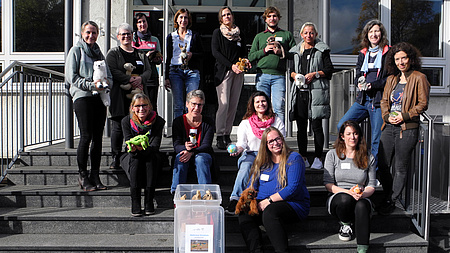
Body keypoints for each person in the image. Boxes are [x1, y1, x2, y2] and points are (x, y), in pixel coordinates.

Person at [377, 42, 430, 215]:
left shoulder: (419, 77)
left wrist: (404, 115)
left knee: (400, 167)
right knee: (383, 165)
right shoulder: (392, 79)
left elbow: (423, 104)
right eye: (397, 59)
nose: (401, 62)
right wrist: (386, 116)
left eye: (404, 58)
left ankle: (391, 200)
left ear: (410, 59)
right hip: (389, 127)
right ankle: (388, 195)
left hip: (407, 128)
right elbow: (384, 101)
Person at [238, 127, 309, 253]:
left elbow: (293, 188)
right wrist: (248, 198)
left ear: (282, 139)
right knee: (244, 212)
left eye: (277, 139)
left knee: (270, 212)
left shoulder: (294, 158)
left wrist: (268, 201)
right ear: (265, 145)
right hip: (263, 204)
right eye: (270, 141)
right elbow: (252, 186)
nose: (275, 143)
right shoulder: (261, 161)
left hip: (293, 204)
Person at [65, 21, 112, 191]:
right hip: (82, 97)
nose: (91, 36)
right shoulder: (76, 51)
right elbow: (72, 78)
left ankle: (95, 175)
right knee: (86, 136)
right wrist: (93, 85)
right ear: (82, 33)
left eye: (94, 33)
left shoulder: (99, 53)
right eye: (88, 32)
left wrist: (108, 84)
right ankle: (82, 175)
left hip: (98, 98)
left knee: (98, 138)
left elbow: (108, 75)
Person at [337, 20, 390, 167]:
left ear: (382, 33)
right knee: (342, 125)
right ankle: (355, 157)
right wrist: (359, 83)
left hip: (378, 102)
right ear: (367, 34)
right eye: (371, 31)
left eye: (377, 31)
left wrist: (373, 85)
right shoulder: (363, 53)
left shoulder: (388, 52)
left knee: (376, 139)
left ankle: (374, 171)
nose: (374, 34)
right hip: (363, 100)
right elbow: (358, 74)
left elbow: (389, 79)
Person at [226, 91, 285, 214]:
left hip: (271, 154)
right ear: (252, 105)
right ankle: (235, 199)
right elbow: (242, 144)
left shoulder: (277, 121)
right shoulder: (246, 123)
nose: (260, 104)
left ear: (268, 103)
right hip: (251, 153)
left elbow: (281, 141)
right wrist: (237, 150)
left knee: (259, 168)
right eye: (257, 102)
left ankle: (250, 201)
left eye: (263, 101)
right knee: (247, 166)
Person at [323, 120, 376, 253]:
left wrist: (361, 194)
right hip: (338, 196)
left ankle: (363, 249)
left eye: (355, 133)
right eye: (349, 134)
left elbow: (371, 185)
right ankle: (345, 223)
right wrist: (348, 192)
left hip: (360, 196)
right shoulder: (332, 155)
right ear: (342, 136)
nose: (352, 137)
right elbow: (328, 184)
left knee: (362, 205)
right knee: (344, 199)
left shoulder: (368, 156)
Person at [106, 23, 153, 170]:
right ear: (118, 37)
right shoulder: (113, 53)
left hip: (137, 95)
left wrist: (141, 79)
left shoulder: (140, 54)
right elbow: (112, 70)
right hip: (118, 95)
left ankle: (134, 152)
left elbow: (148, 70)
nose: (126, 36)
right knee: (118, 125)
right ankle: (116, 156)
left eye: (129, 34)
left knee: (136, 124)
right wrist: (129, 79)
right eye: (123, 34)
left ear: (133, 35)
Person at [289, 22, 334, 169]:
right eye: (306, 33)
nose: (309, 35)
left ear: (316, 35)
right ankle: (303, 156)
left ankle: (318, 158)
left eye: (311, 33)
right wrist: (294, 75)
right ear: (301, 35)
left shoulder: (322, 50)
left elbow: (329, 70)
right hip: (300, 93)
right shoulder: (296, 51)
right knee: (301, 127)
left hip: (316, 93)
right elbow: (290, 71)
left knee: (316, 127)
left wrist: (315, 74)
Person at [248, 6, 296, 123]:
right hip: (262, 75)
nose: (272, 18)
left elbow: (295, 54)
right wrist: (264, 50)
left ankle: (279, 136)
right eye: (269, 16)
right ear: (265, 19)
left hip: (279, 76)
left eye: (274, 16)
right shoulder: (260, 36)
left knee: (279, 107)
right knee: (261, 108)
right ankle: (262, 135)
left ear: (278, 18)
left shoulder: (286, 35)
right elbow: (251, 56)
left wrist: (282, 52)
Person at [211, 6, 250, 150]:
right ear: (221, 19)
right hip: (224, 72)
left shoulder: (239, 33)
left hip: (238, 73)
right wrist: (231, 65)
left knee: (233, 105)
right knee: (224, 104)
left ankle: (227, 134)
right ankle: (220, 135)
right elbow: (215, 52)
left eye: (229, 14)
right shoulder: (218, 33)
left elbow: (244, 51)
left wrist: (244, 62)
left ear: (232, 16)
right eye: (224, 15)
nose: (227, 17)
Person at [121, 94, 165, 216]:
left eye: (144, 105)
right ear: (132, 108)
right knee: (135, 159)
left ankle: (148, 201)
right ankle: (135, 201)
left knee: (149, 159)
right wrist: (137, 148)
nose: (141, 109)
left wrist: (139, 147)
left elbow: (155, 146)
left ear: (150, 107)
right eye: (138, 106)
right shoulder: (126, 121)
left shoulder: (158, 121)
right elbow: (128, 143)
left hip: (151, 155)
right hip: (131, 156)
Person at [171, 89, 214, 194]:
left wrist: (192, 151)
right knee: (180, 157)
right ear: (187, 104)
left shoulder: (208, 122)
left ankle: (206, 194)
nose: (196, 108)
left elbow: (207, 145)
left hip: (202, 153)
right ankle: (176, 193)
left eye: (200, 105)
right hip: (185, 152)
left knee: (201, 159)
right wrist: (185, 148)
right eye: (193, 104)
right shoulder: (178, 121)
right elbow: (176, 146)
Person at [165, 8, 204, 119]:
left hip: (191, 71)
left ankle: (190, 130)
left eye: (186, 17)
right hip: (175, 71)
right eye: (181, 17)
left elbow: (202, 53)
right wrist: (166, 76)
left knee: (192, 103)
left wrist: (192, 55)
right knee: (178, 105)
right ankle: (179, 133)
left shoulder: (194, 35)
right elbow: (168, 57)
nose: (183, 20)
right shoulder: (171, 36)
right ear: (176, 19)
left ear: (189, 20)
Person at [132, 12, 162, 111]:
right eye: (139, 22)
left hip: (152, 76)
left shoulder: (154, 39)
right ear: (136, 25)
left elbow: (160, 60)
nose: (142, 24)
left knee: (152, 105)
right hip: (137, 76)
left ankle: (153, 126)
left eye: (144, 21)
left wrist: (157, 58)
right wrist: (146, 56)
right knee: (139, 105)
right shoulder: (132, 39)